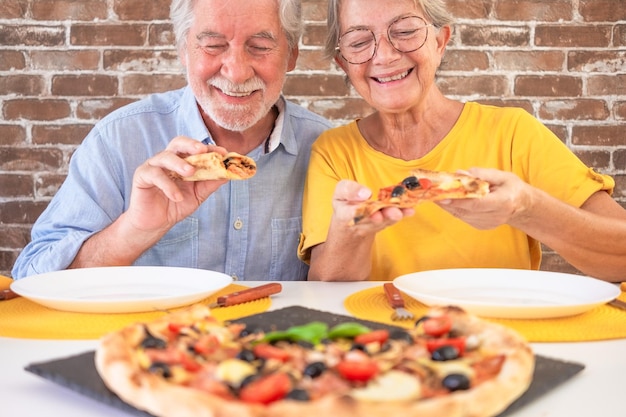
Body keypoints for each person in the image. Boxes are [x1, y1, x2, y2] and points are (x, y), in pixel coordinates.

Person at [298, 0, 626, 283]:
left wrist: (526, 208)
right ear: (344, 63)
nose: (384, 55)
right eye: (358, 42)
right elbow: (326, 289)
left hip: (502, 341)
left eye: (405, 31)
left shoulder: (513, 133)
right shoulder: (334, 152)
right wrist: (350, 230)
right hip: (387, 345)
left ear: (440, 41)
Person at [11, 0, 331, 281]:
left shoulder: (328, 149)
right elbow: (31, 277)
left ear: (292, 55)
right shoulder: (119, 140)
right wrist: (135, 230)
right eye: (213, 45)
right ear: (182, 50)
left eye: (260, 47)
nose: (236, 73)